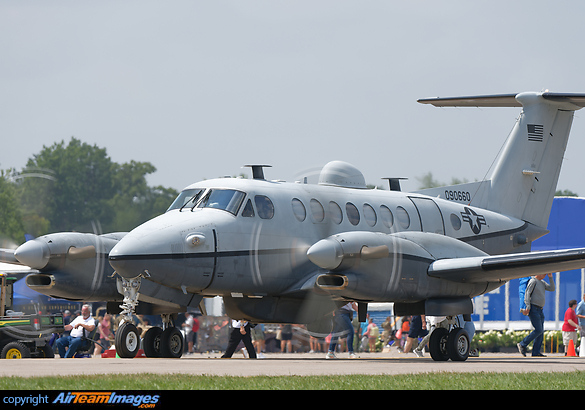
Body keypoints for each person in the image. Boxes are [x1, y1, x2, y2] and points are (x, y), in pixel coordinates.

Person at [517, 273, 555, 357]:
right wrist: (527, 306)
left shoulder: (542, 282)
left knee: (540, 331)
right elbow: (527, 293)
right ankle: (522, 344)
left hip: (540, 309)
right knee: (538, 330)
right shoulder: (533, 281)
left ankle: (536, 352)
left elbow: (552, 288)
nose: (545, 275)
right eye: (544, 273)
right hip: (533, 308)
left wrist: (550, 277)